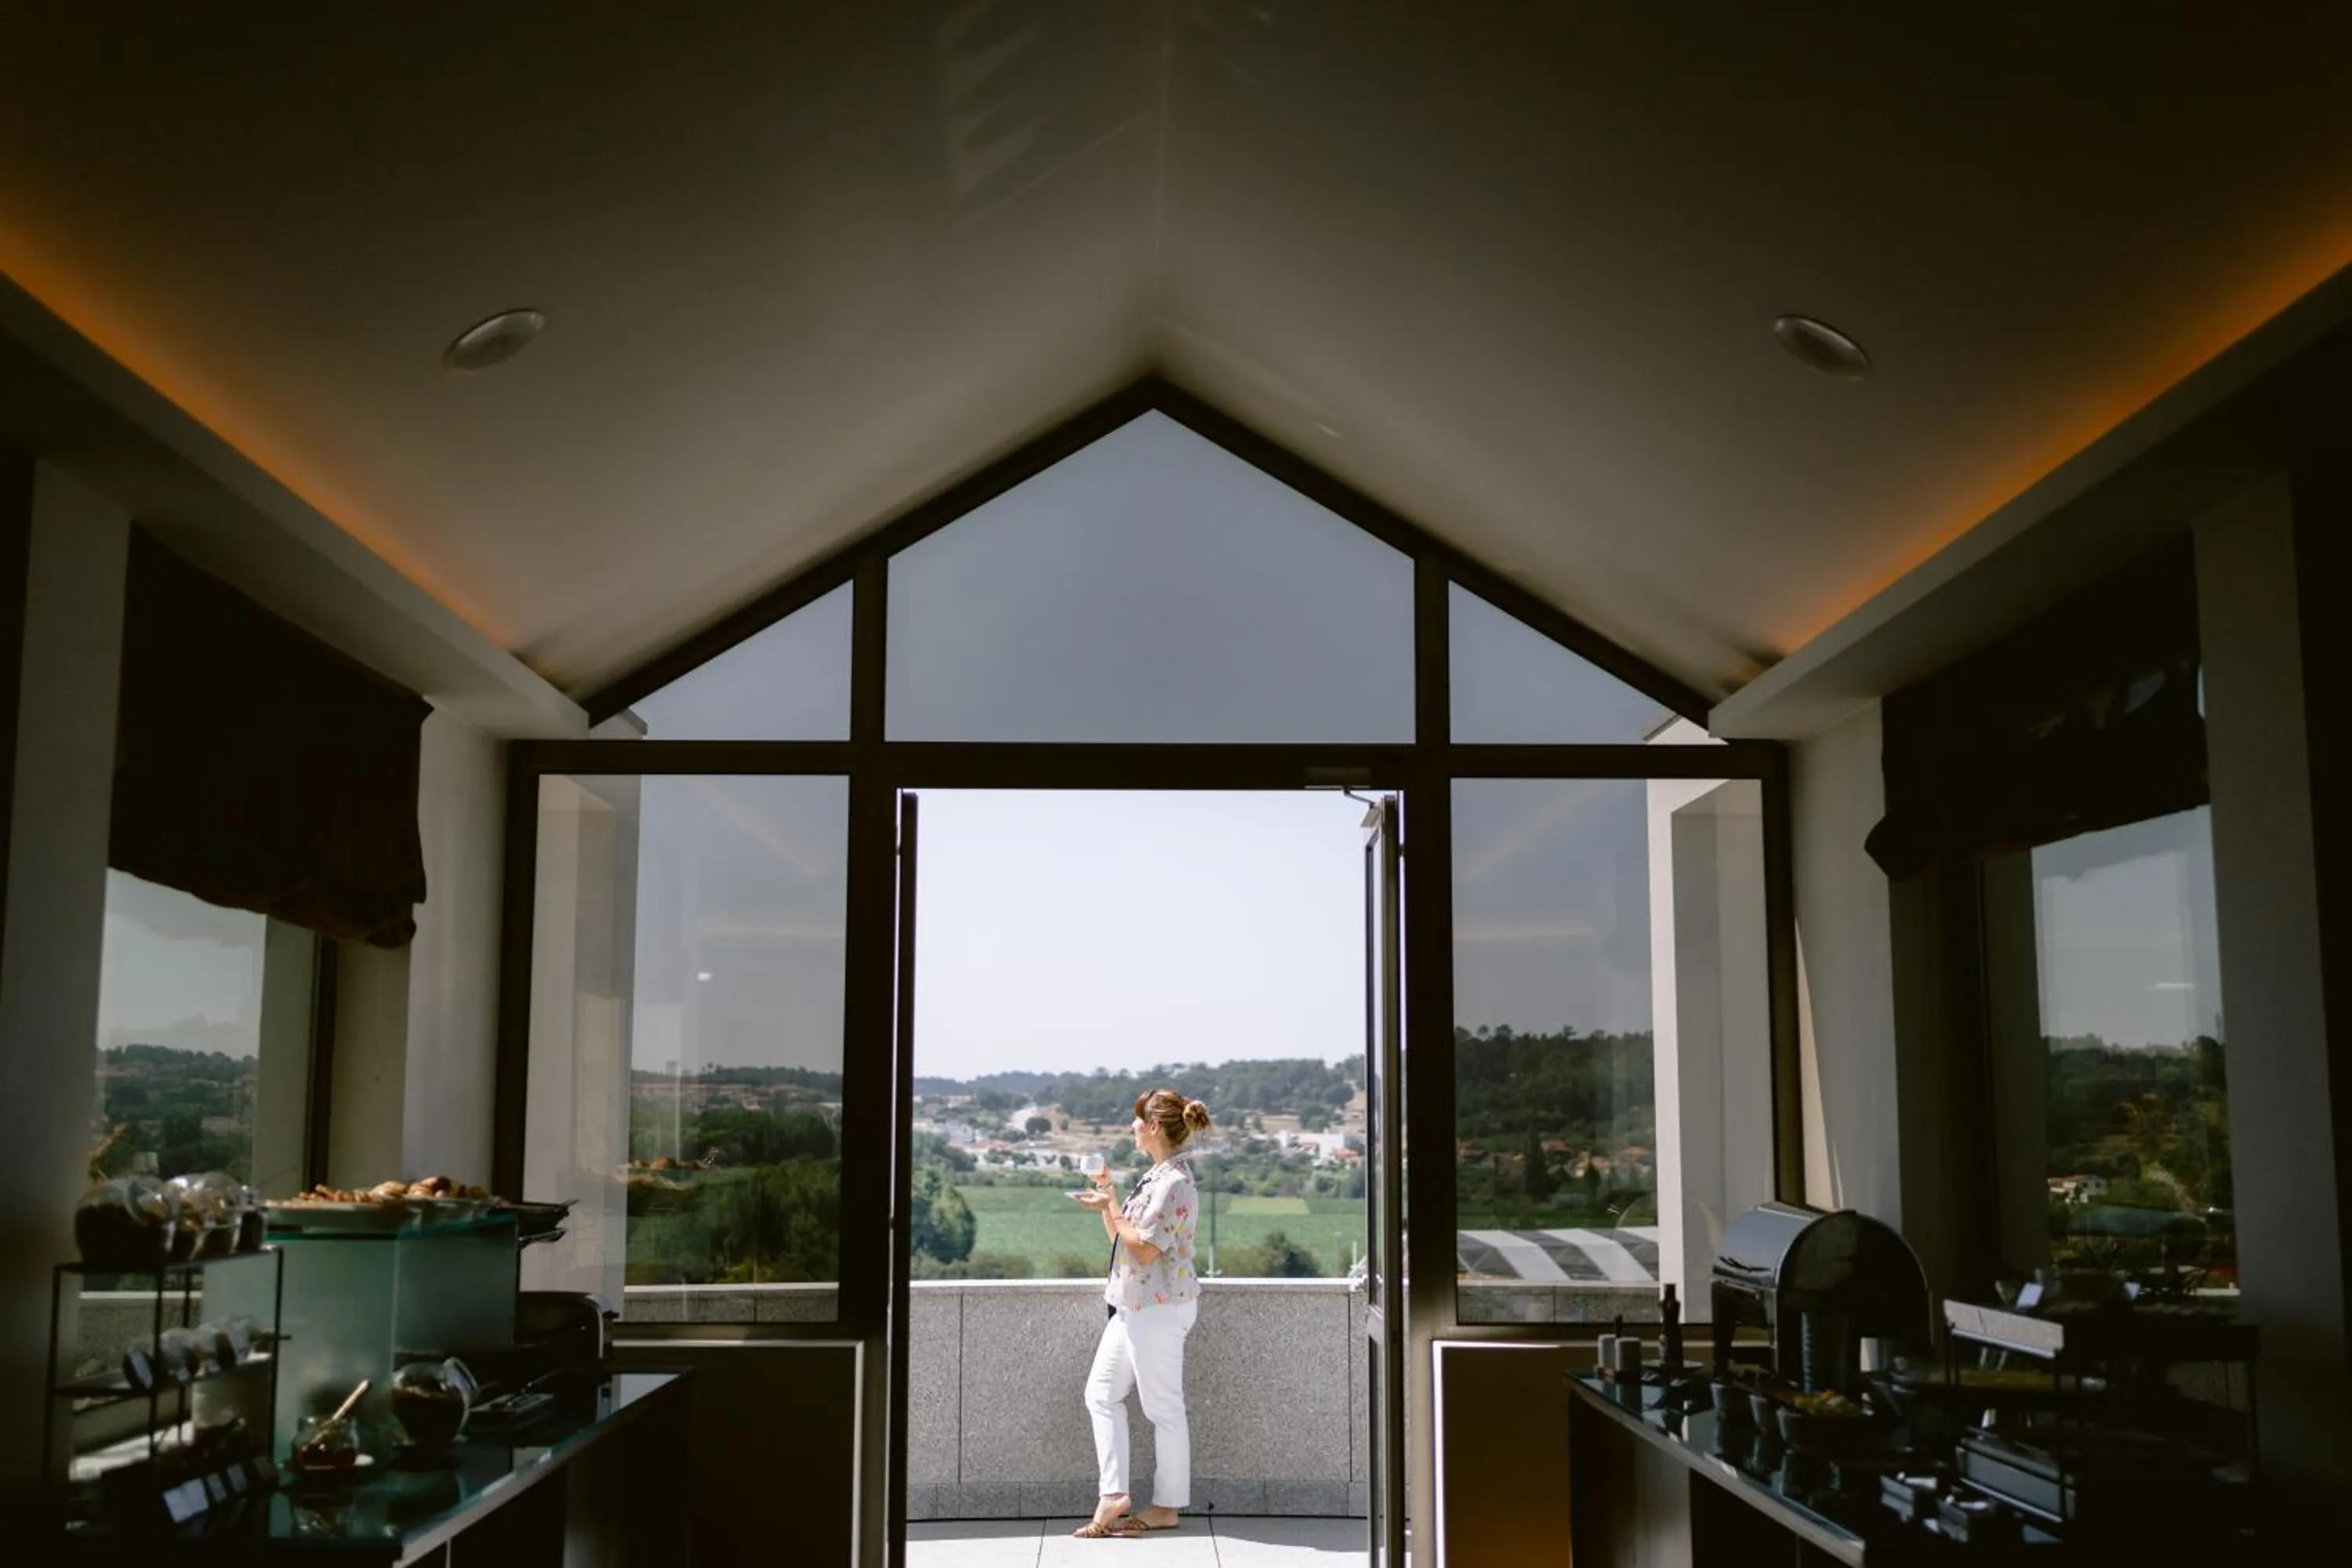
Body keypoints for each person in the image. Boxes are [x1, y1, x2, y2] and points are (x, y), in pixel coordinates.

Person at [1067, 1087, 1211, 1538]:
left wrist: (1111, 1203)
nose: (1130, 1126)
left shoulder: (1174, 1182)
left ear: (1153, 1127)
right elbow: (1122, 1238)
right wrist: (1107, 1193)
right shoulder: (1157, 1176)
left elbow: (1146, 1251)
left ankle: (1167, 1506)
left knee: (1163, 1408)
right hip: (1135, 1306)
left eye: (1136, 1120)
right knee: (1100, 1394)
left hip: (1159, 1309)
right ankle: (1114, 1494)